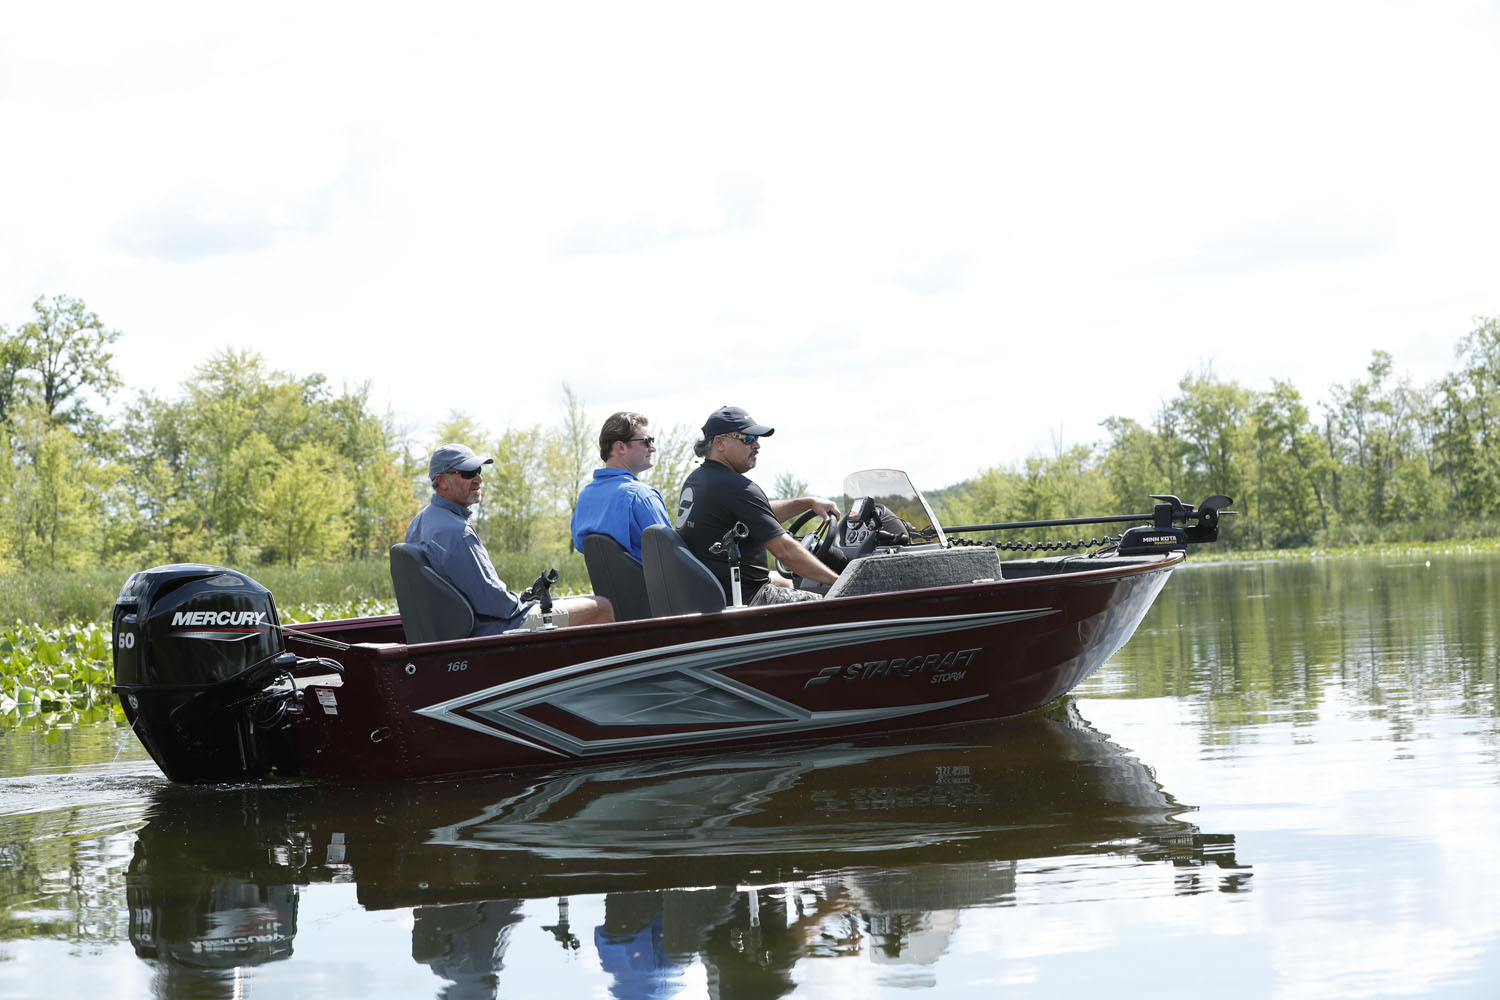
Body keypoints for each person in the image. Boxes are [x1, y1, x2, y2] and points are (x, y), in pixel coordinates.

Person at [406, 443, 612, 634]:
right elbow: (498, 605)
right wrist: (522, 601)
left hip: (459, 627)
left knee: (573, 603)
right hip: (491, 629)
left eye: (479, 471)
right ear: (441, 481)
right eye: (468, 473)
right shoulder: (457, 532)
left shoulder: (419, 523)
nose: (478, 479)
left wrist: (521, 597)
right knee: (600, 607)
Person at [675, 406, 842, 606]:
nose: (757, 445)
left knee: (786, 582)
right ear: (720, 442)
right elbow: (785, 551)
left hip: (715, 594)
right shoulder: (737, 487)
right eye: (748, 439)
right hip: (749, 599)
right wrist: (839, 582)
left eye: (757, 439)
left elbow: (757, 515)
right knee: (834, 601)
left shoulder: (699, 480)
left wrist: (807, 503)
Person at [570, 411, 673, 561]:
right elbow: (671, 554)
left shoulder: (585, 496)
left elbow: (581, 546)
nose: (653, 447)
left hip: (605, 584)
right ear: (620, 447)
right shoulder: (641, 496)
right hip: (649, 584)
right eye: (647, 441)